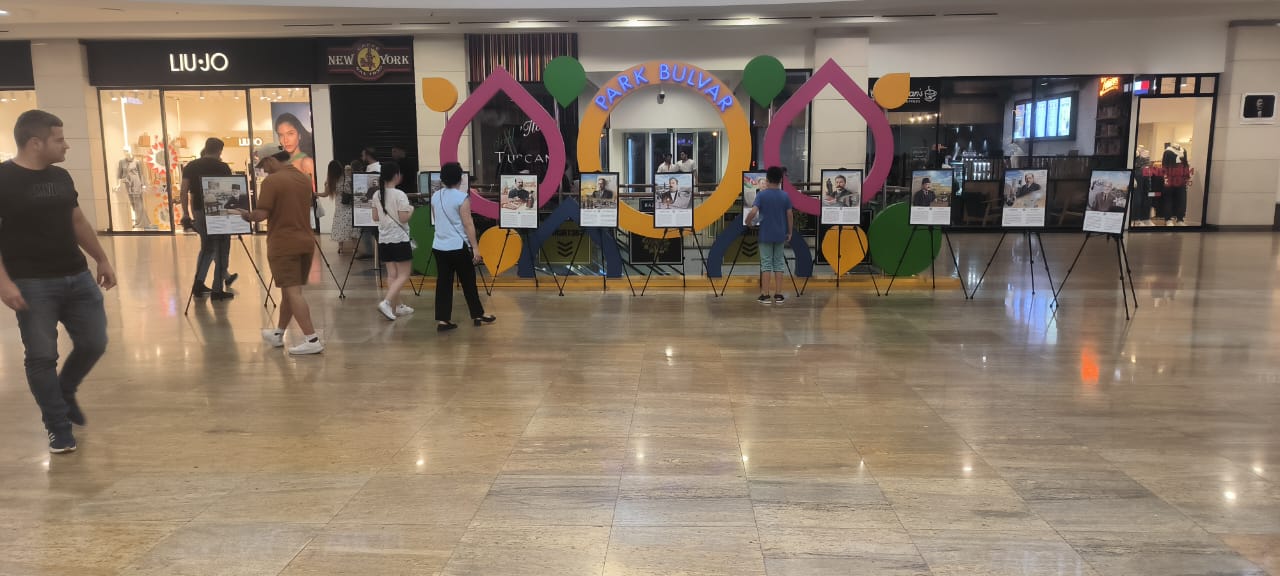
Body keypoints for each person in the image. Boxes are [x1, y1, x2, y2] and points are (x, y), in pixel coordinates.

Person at [0, 110, 116, 453]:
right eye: (59, 139)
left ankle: (65, 389)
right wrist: (3, 282)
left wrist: (101, 258)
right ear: (36, 143)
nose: (66, 145)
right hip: (31, 283)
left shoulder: (62, 176)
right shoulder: (3, 179)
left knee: (94, 342)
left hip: (77, 276)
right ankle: (58, 426)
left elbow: (76, 220)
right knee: (41, 356)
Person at [231, 143, 323, 355]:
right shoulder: (304, 178)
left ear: (271, 160)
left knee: (293, 292)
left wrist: (246, 215)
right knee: (290, 291)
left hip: (283, 244)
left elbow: (261, 214)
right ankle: (278, 333)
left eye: (263, 165)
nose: (263, 170)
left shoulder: (272, 182)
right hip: (306, 242)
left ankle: (312, 339)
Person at [432, 162, 494, 331]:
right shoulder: (462, 198)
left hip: (439, 246)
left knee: (443, 283)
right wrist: (475, 248)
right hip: (458, 246)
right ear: (460, 179)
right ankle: (477, 314)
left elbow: (437, 219)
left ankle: (443, 320)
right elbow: (468, 224)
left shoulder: (435, 196)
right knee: (468, 282)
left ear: (443, 178)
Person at [181, 137, 237, 301]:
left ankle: (198, 284)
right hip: (218, 211)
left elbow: (183, 191)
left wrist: (185, 213)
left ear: (205, 148)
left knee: (207, 247)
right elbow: (228, 192)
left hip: (198, 210)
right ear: (220, 150)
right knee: (222, 248)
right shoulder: (223, 167)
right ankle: (217, 289)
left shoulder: (191, 166)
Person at [371, 161, 415, 321]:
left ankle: (398, 306)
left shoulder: (377, 195)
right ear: (396, 175)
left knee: (392, 274)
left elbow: (375, 217)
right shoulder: (400, 194)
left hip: (384, 239)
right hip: (399, 239)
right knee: (404, 274)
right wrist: (411, 210)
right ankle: (387, 302)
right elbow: (403, 218)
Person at [744, 166, 793, 305]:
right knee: (779, 263)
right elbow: (790, 215)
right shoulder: (785, 196)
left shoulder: (762, 195)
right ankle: (778, 294)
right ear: (780, 180)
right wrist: (790, 232)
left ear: (767, 179)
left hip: (765, 234)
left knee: (766, 264)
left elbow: (753, 212)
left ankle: (765, 295)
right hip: (780, 234)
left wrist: (748, 222)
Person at [275, 113, 315, 191]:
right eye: (281, 135)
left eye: (290, 134)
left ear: (299, 135)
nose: (285, 140)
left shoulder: (307, 162)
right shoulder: (283, 163)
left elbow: (316, 193)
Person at [324, 161, 357, 254]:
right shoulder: (347, 178)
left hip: (339, 207)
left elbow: (325, 194)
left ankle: (341, 248)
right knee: (352, 226)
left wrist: (315, 194)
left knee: (339, 226)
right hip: (349, 205)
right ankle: (355, 247)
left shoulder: (331, 181)